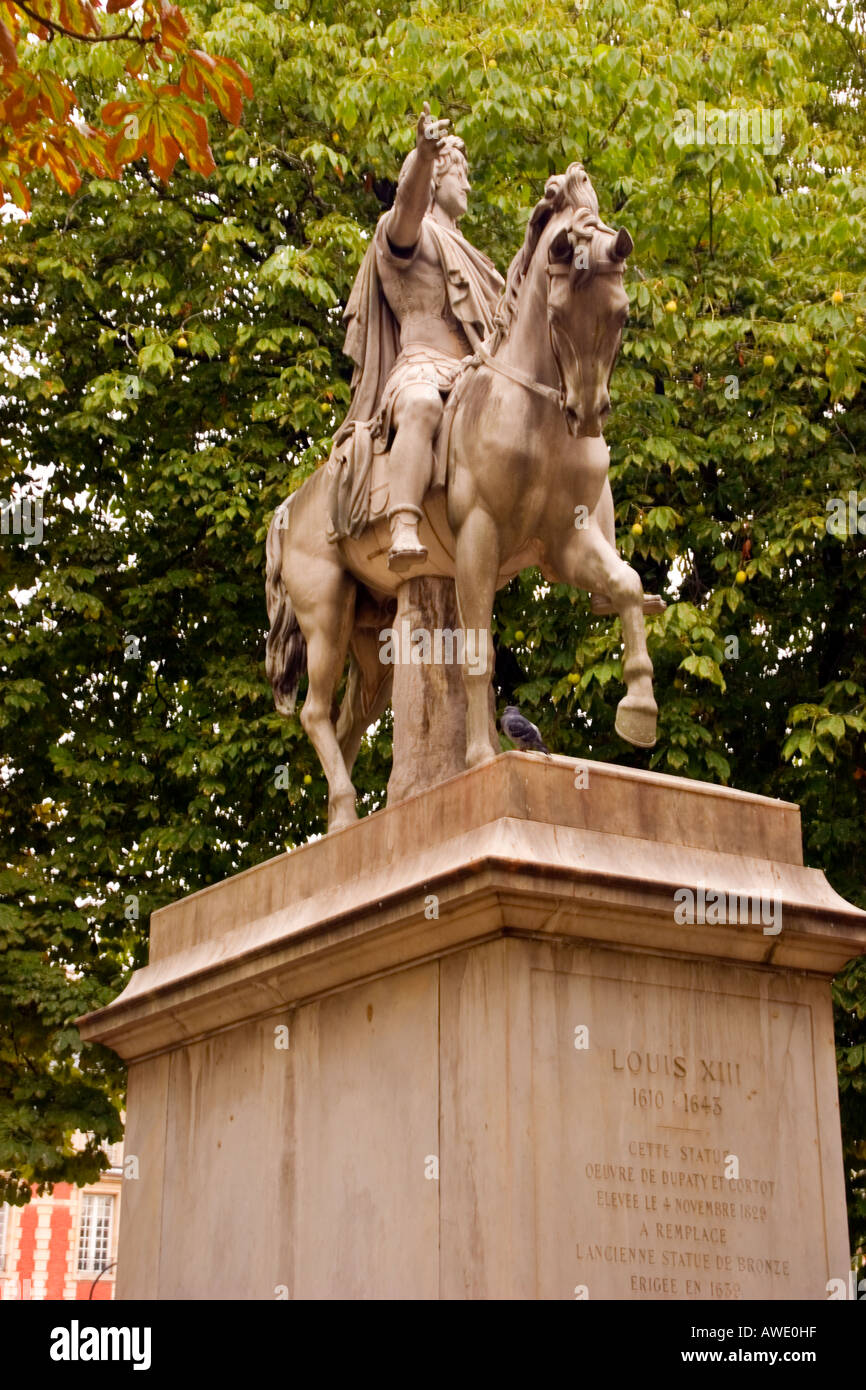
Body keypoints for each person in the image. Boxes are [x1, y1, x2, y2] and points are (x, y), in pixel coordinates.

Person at [337, 102, 504, 570]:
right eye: (461, 173)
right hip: (420, 366)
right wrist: (424, 157)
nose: (468, 184)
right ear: (435, 180)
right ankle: (404, 522)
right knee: (422, 403)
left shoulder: (477, 257)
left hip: (474, 370)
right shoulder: (408, 232)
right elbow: (407, 207)